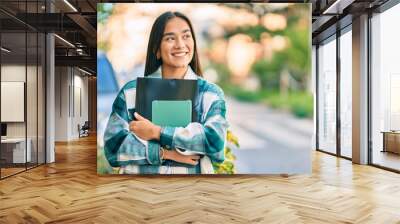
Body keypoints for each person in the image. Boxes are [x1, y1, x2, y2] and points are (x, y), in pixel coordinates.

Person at [104, 11, 229, 174]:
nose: (180, 44)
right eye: (170, 38)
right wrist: (166, 153)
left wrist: (156, 132)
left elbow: (215, 142)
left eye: (186, 36)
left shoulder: (210, 94)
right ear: (156, 49)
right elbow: (113, 148)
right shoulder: (131, 92)